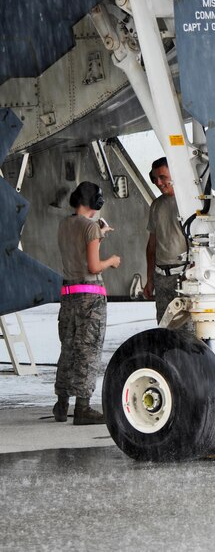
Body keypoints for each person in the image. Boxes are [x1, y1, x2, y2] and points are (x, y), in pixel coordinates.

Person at [54, 181, 121, 425]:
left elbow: (78, 254)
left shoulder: (65, 224)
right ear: (96, 203)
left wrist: (98, 237)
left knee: (69, 348)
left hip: (69, 295)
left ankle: (61, 404)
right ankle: (82, 407)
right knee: (88, 351)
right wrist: (111, 260)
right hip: (90, 297)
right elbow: (93, 267)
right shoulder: (90, 227)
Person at [143, 157, 190, 327]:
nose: (159, 183)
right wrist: (149, 279)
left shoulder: (190, 203)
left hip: (184, 277)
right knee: (164, 328)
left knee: (188, 331)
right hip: (161, 277)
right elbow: (151, 246)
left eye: (163, 177)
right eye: (155, 179)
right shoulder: (156, 206)